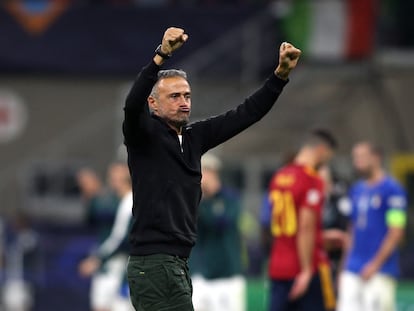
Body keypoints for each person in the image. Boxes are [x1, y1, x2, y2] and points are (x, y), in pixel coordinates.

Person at [123, 27, 301, 311]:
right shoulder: (144, 136)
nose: (184, 103)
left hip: (176, 263)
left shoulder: (194, 138)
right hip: (155, 263)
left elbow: (246, 114)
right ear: (153, 103)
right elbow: (132, 106)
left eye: (187, 96)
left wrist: (279, 77)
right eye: (175, 96)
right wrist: (161, 56)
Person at [262, 129, 338, 311]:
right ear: (321, 150)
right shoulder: (311, 179)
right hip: (305, 267)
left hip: (278, 266)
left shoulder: (279, 177)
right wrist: (305, 271)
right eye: (328, 157)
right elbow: (305, 227)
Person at [337, 142, 407, 311]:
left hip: (380, 271)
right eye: (355, 157)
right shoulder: (356, 190)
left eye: (361, 157)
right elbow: (352, 229)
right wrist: (344, 266)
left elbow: (396, 231)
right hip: (352, 269)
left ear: (376, 158)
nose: (357, 162)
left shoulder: (393, 190)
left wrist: (375, 264)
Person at [190, 153, 245, 311]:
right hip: (201, 275)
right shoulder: (193, 200)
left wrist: (207, 198)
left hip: (228, 275)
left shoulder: (230, 198)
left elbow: (220, 223)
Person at [78, 163, 133, 311]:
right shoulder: (121, 201)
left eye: (115, 178)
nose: (112, 182)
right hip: (119, 266)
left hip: (124, 266)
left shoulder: (130, 202)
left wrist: (98, 258)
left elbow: (121, 238)